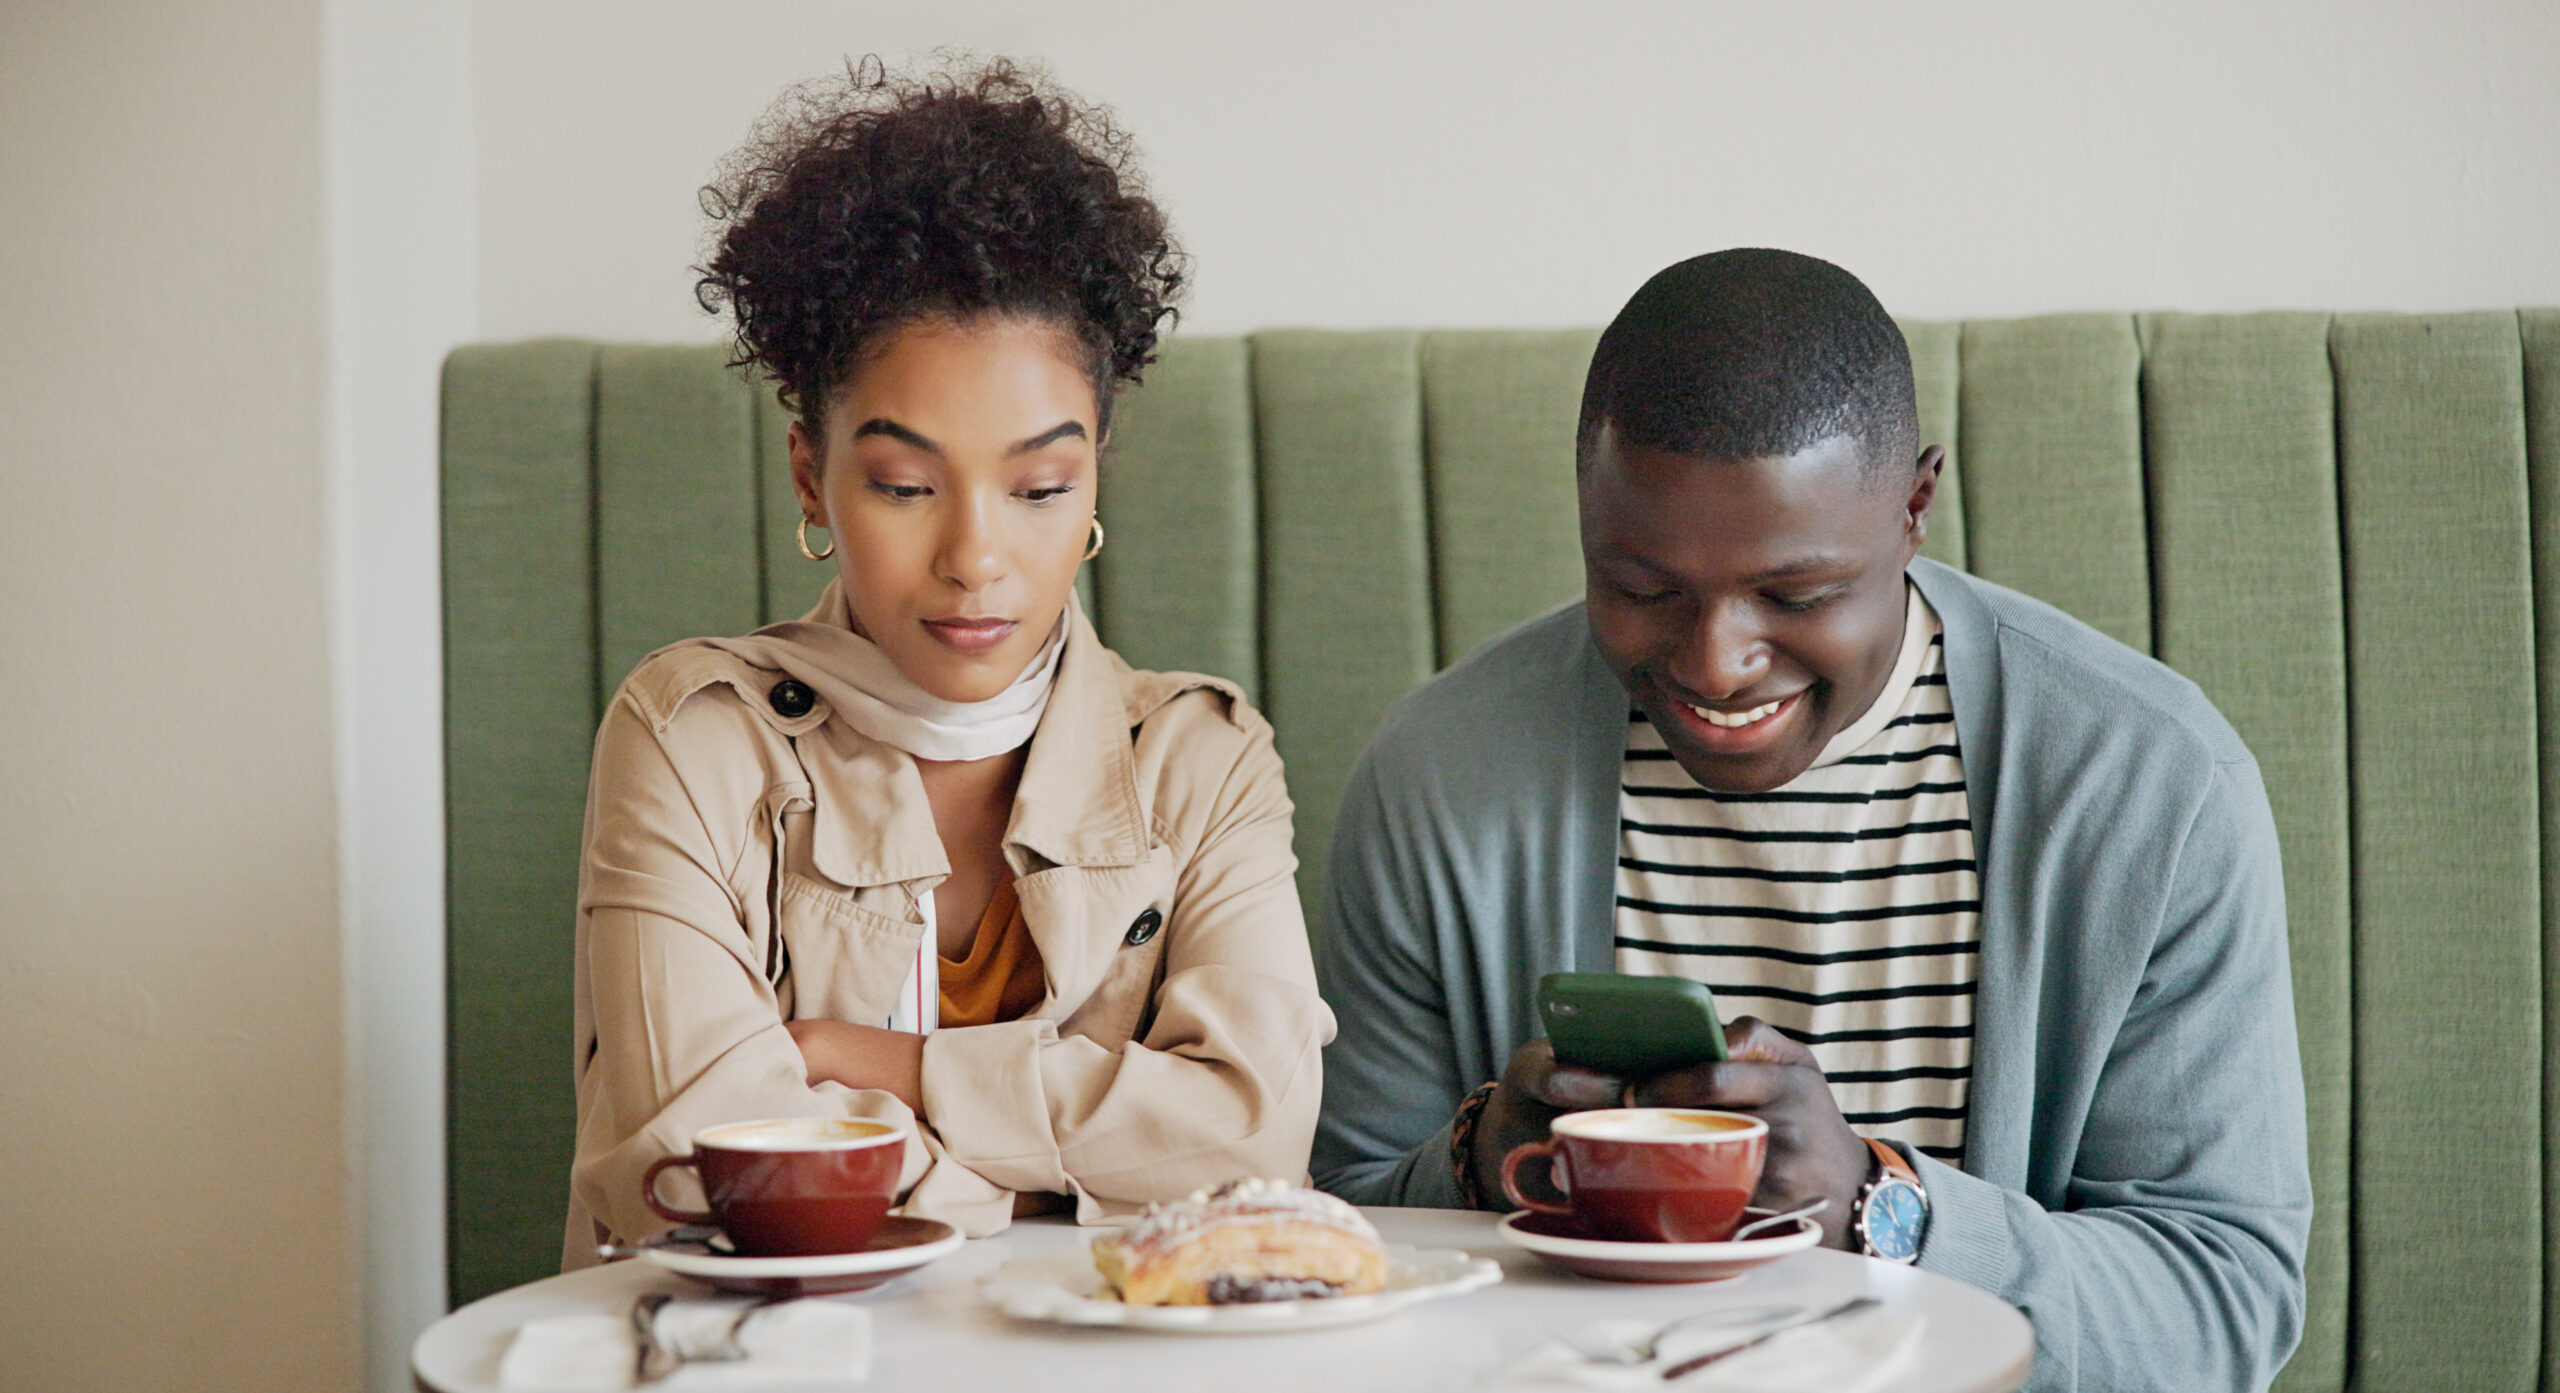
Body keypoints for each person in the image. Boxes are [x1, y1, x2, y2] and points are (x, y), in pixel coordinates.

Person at [1312, 249, 2309, 1389]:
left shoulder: (2148, 785)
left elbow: (2221, 1303)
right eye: (1641, 590)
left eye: (1796, 595)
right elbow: (1329, 1233)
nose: (1715, 663)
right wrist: (1475, 1162)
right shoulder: (1441, 773)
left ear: (1915, 507)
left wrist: (1879, 1205)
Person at [564, 59, 1330, 1262]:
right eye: (905, 485)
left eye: (1040, 486)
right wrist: (1060, 1190)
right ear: (811, 477)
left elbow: (1253, 1136)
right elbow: (704, 1157)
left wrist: (890, 1066)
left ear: (1096, 478)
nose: (975, 558)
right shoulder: (691, 734)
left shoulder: (1202, 760)